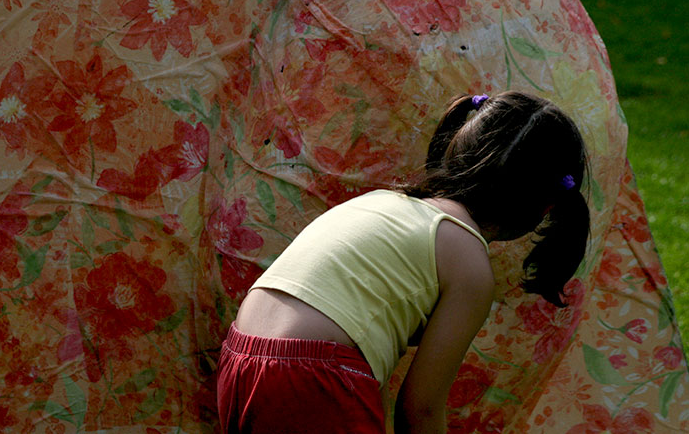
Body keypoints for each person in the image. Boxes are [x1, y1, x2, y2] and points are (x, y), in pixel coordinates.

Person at [215, 91, 590, 434]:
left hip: (241, 354)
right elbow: (420, 410)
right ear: (546, 206)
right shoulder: (469, 262)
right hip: (313, 368)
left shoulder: (384, 203)